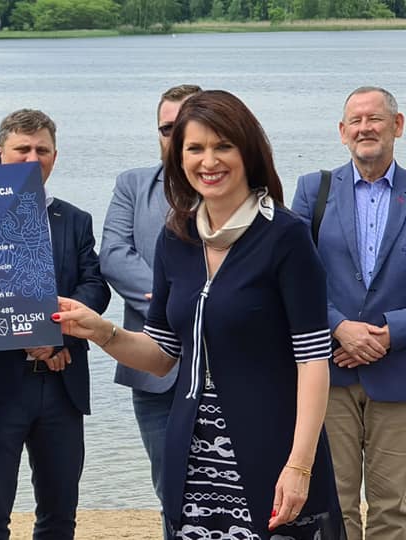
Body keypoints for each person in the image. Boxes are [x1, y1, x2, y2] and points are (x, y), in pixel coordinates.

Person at [52, 90, 344, 539]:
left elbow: (311, 360)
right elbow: (164, 353)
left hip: (272, 446)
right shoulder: (177, 237)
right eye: (195, 148)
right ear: (178, 157)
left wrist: (300, 465)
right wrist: (102, 332)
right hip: (192, 451)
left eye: (223, 145)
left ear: (248, 151)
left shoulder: (286, 237)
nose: (209, 161)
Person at [0, 109, 110, 539]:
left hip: (62, 381)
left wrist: (54, 331)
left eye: (42, 149)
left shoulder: (75, 219)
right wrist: (29, 335)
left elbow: (95, 286)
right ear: (1, 154)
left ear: (54, 155)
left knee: (59, 512)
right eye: (22, 149)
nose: (33, 157)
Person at [292, 86, 406, 540]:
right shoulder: (313, 192)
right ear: (342, 132)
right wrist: (339, 327)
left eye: (375, 118)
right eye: (355, 121)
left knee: (394, 506)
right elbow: (293, 279)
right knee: (333, 506)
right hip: (329, 375)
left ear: (397, 126)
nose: (365, 128)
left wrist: (388, 333)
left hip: (397, 371)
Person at [99, 84, 201, 526]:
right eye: (166, 128)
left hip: (228, 369)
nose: (174, 136)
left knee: (229, 486)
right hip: (152, 375)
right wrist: (179, 300)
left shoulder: (240, 187)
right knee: (171, 489)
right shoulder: (132, 185)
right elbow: (115, 257)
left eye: (184, 126)